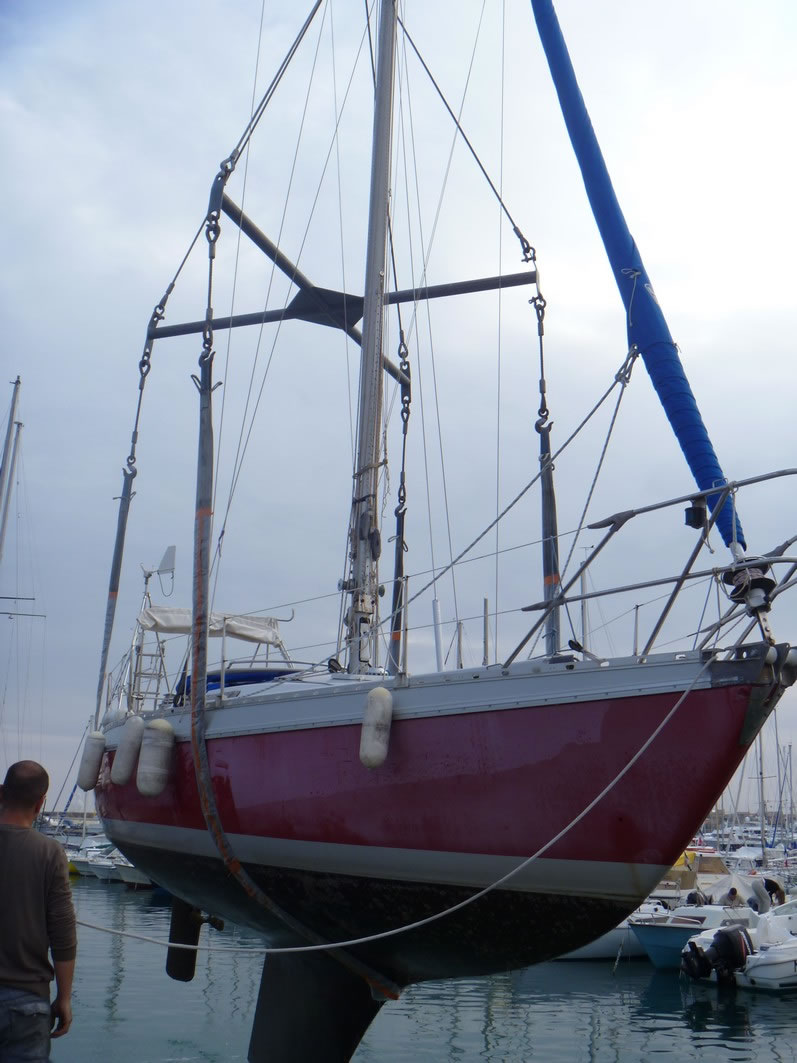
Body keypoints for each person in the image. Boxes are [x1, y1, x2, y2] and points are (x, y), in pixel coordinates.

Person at [0, 761, 77, 1061]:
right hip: (27, 1001)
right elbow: (63, 933)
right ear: (41, 802)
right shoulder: (50, 853)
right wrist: (64, 998)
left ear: (1, 793)